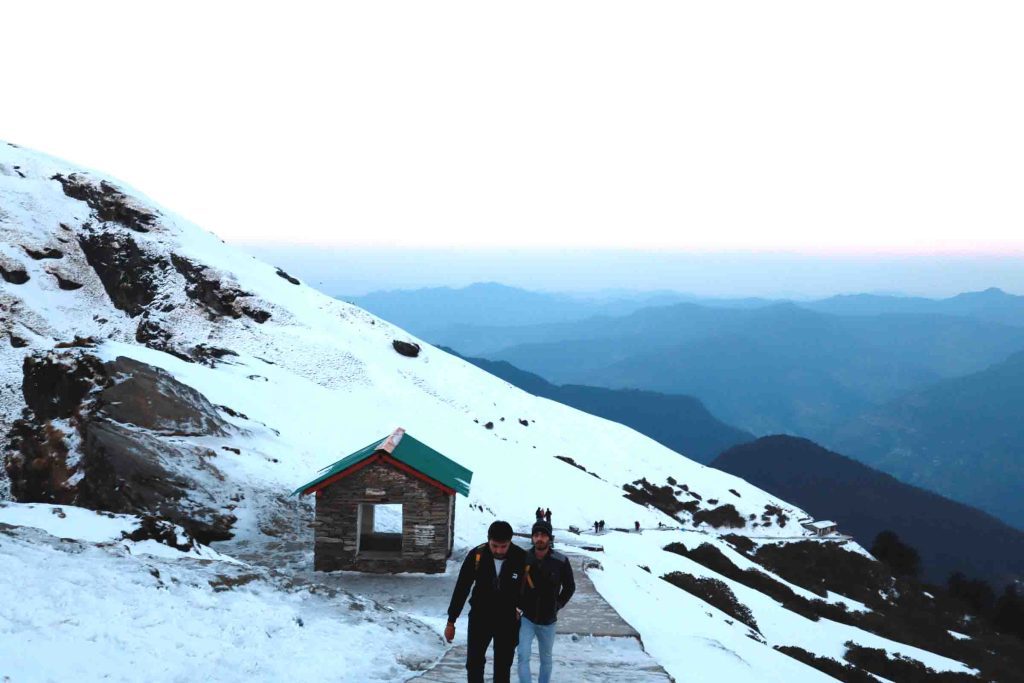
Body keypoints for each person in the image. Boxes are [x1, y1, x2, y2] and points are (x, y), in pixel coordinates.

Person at [446, 520, 527, 683]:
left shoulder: (521, 558)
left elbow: (532, 590)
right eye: (495, 545)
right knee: (474, 664)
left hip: (508, 620)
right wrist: (451, 621)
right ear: (488, 540)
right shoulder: (477, 555)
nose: (499, 550)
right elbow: (462, 588)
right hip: (480, 617)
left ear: (510, 541)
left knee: (503, 667)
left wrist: (521, 609)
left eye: (503, 546)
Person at [517, 520, 575, 683]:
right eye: (536, 535)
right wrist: (517, 606)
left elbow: (570, 587)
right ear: (532, 538)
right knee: (523, 655)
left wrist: (558, 604)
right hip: (527, 618)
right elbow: (514, 584)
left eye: (543, 535)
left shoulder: (561, 561)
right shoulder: (524, 558)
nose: (539, 538)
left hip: (549, 620)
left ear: (550, 538)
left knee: (546, 659)